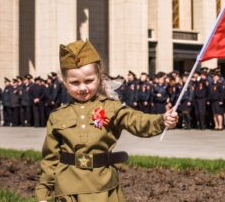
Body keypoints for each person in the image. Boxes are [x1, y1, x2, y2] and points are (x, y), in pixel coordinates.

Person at [35, 39, 178, 202]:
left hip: (104, 189)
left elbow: (136, 120)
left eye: (89, 81)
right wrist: (43, 192)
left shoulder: (112, 107)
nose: (82, 88)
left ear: (100, 78)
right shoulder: (57, 116)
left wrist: (162, 120)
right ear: (65, 83)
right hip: (68, 189)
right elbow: (50, 158)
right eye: (75, 83)